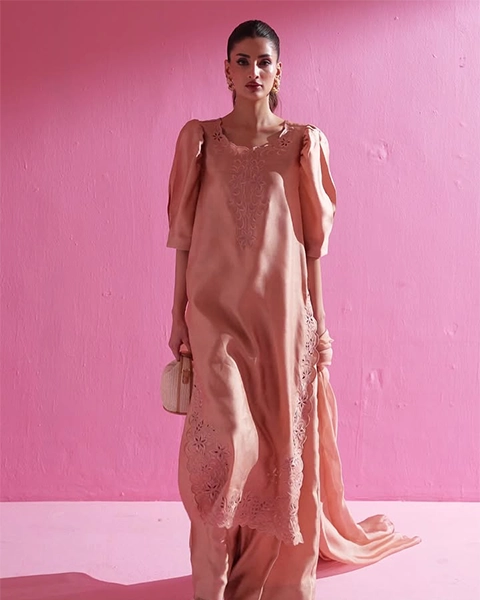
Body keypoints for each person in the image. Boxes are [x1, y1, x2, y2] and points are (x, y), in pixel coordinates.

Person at [166, 19, 420, 600]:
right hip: (214, 317)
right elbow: (182, 238)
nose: (253, 71)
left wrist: (320, 324)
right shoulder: (199, 141)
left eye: (263, 61)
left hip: (281, 321)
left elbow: (310, 248)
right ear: (226, 70)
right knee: (227, 440)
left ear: (279, 72)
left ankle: (260, 578)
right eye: (242, 61)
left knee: (278, 451)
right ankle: (211, 581)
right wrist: (176, 313)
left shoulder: (304, 145)